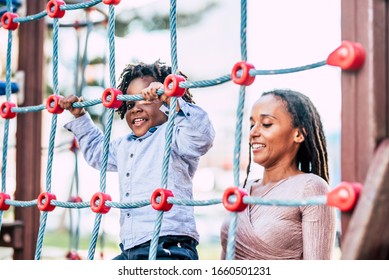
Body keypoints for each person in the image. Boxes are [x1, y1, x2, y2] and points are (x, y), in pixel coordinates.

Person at [59, 60, 215, 260]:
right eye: (131, 104)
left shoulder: (175, 135)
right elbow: (98, 154)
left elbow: (202, 137)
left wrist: (173, 101)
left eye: (146, 100)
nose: (135, 109)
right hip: (131, 247)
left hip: (169, 243)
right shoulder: (125, 144)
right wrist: (80, 116)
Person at [220, 89, 336, 260]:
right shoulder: (242, 189)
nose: (253, 133)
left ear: (298, 134)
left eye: (266, 124)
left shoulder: (311, 187)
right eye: (252, 124)